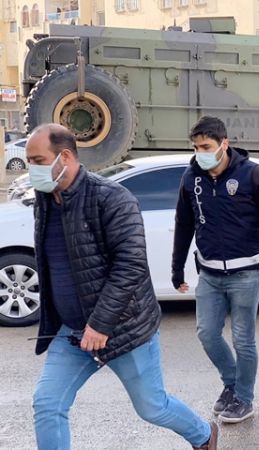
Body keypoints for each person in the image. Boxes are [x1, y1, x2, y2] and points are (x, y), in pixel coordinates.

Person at [27, 124, 217, 450]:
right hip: (72, 332)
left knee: (152, 407)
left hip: (124, 330)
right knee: (47, 404)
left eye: (38, 160)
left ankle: (203, 435)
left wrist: (100, 325)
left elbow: (130, 266)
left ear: (65, 156)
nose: (31, 168)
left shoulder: (111, 198)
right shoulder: (45, 201)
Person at [171, 116, 259, 424]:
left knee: (243, 339)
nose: (200, 152)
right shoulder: (191, 178)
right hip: (210, 274)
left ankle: (244, 398)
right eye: (196, 147)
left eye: (206, 147)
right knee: (207, 334)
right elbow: (184, 223)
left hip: (246, 274)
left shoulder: (251, 174)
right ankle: (232, 383)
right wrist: (177, 269)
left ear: (224, 144)